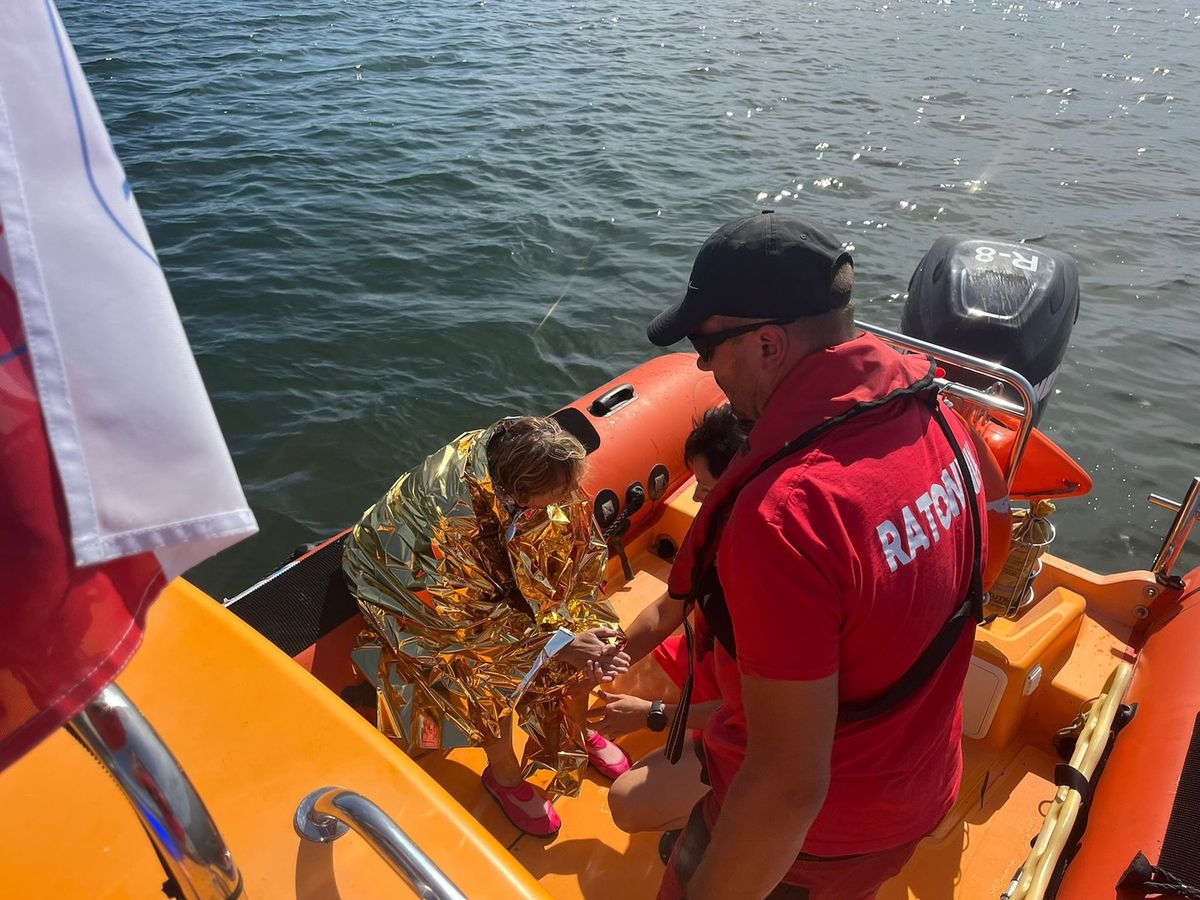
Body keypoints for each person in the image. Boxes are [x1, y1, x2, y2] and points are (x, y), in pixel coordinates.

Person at [643, 210, 1004, 899]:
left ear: (769, 344)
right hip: (919, 788)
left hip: (819, 841)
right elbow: (985, 557)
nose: (705, 368)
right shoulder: (941, 417)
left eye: (707, 345)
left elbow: (784, 788)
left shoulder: (788, 516)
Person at [342, 416, 632, 839]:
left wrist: (575, 628)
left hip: (479, 566)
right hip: (408, 581)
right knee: (481, 673)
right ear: (518, 492)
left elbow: (575, 554)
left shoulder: (530, 465)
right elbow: (470, 626)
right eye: (558, 495)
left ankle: (571, 726)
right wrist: (558, 644)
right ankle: (505, 777)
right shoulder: (448, 522)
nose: (568, 501)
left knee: (584, 620)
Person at [590, 403, 747, 835]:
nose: (695, 497)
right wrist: (612, 655)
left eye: (704, 486)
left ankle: (718, 827)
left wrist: (653, 713)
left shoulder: (769, 584)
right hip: (718, 674)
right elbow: (665, 610)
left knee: (628, 802)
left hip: (767, 735)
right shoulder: (715, 528)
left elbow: (754, 714)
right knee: (615, 678)